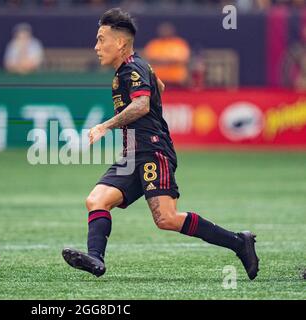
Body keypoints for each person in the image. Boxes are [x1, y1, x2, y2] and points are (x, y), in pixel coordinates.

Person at [62, 8, 259, 280]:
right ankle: (95, 259)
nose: (96, 47)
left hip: (153, 151)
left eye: (100, 39)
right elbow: (161, 87)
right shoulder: (134, 68)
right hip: (132, 155)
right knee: (96, 200)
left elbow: (142, 105)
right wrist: (152, 91)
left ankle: (239, 242)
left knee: (166, 218)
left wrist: (105, 125)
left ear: (119, 42)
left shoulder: (132, 68)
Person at [143, 22, 190, 87]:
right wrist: (168, 60)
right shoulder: (154, 44)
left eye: (167, 30)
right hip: (157, 80)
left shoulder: (179, 43)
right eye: (163, 31)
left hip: (176, 79)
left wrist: (162, 60)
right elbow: (149, 59)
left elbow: (182, 59)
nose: (165, 32)